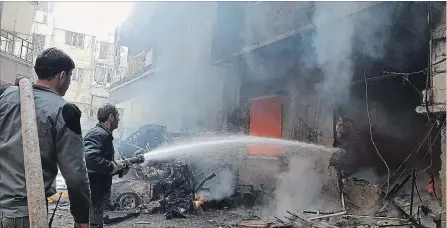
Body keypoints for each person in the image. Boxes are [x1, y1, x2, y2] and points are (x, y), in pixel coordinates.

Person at [0, 48, 91, 228]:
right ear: (62, 76)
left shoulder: (5, 95)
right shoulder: (64, 110)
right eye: (71, 76)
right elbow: (75, 175)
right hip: (25, 214)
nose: (69, 82)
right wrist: (81, 218)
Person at [84, 104, 127, 228]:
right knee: (93, 222)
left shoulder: (103, 134)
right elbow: (90, 158)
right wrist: (112, 167)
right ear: (111, 117)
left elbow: (100, 162)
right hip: (94, 190)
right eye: (118, 116)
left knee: (95, 220)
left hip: (97, 190)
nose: (119, 119)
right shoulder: (99, 133)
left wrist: (118, 169)